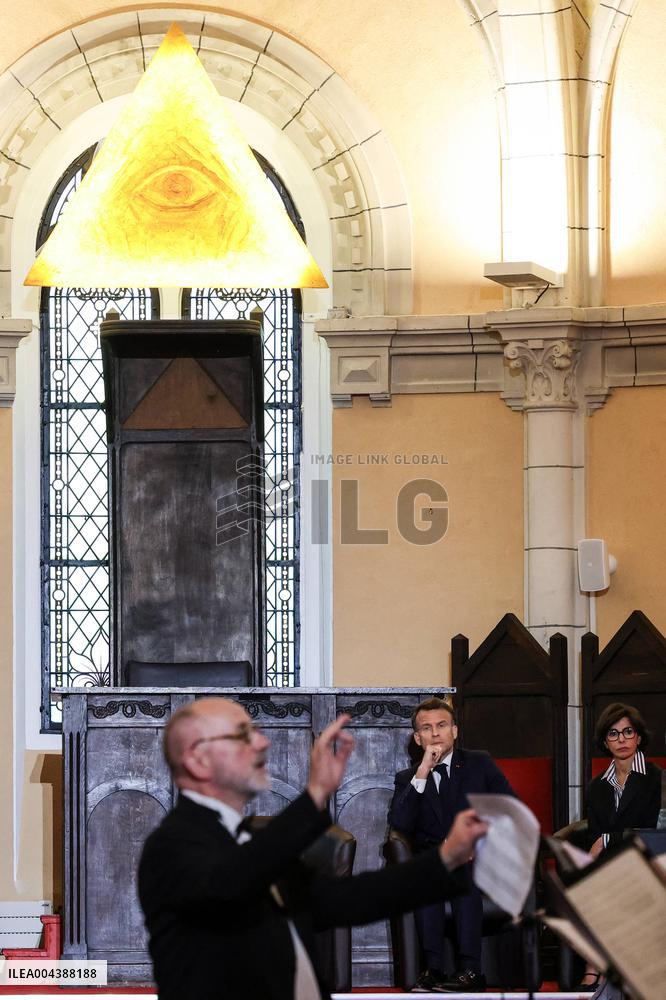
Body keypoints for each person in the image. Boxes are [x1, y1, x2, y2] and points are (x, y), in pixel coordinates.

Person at [138, 696, 489, 1000]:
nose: (261, 744)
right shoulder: (171, 846)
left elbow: (350, 899)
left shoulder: (252, 844)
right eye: (243, 735)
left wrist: (445, 860)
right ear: (199, 760)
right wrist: (314, 798)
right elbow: (231, 883)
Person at [388, 697, 515, 993]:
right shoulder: (407, 778)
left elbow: (509, 807)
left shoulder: (478, 763)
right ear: (417, 738)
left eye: (442, 725)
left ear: (455, 731)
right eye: (427, 728)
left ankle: (471, 970)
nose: (435, 733)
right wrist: (422, 773)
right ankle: (432, 970)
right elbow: (401, 824)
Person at [578, 701, 662, 992]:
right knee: (595, 877)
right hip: (613, 861)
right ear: (605, 741)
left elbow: (653, 829)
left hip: (651, 857)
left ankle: (595, 969)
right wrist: (604, 842)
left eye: (628, 732)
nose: (622, 739)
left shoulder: (656, 778)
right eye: (613, 734)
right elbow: (594, 834)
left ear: (639, 736)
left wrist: (608, 840)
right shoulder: (597, 786)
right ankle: (597, 968)